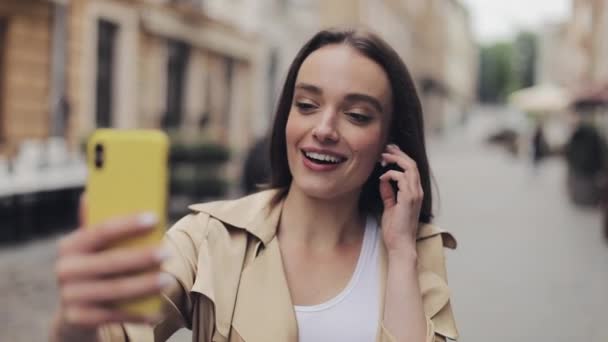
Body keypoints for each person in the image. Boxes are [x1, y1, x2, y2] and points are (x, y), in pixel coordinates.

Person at [51, 28, 459, 342]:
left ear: (390, 142)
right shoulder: (208, 237)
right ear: (286, 117)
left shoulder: (412, 250)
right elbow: (116, 333)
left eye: (356, 114)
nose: (324, 128)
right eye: (307, 105)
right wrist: (74, 322)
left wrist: (402, 252)